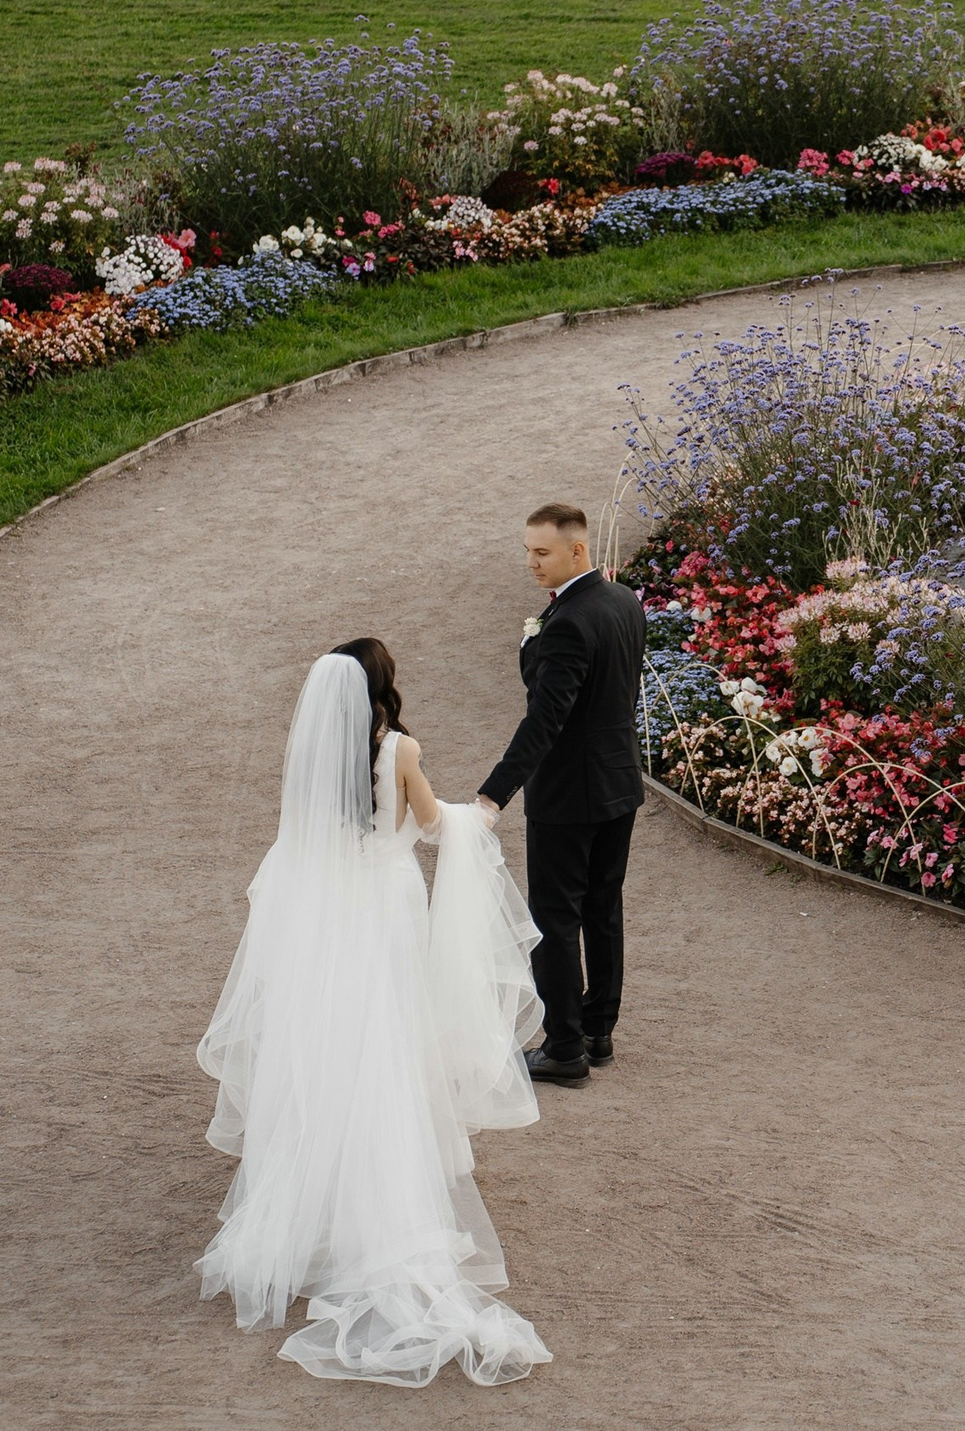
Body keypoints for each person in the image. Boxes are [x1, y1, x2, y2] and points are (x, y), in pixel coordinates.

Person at [196, 640, 550, 1388]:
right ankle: (386, 1218)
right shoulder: (400, 749)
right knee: (387, 1044)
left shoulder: (314, 760)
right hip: (386, 912)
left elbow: (308, 843)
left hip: (330, 920)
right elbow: (427, 827)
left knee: (331, 1044)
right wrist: (470, 819)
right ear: (382, 685)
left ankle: (310, 1212)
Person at [475, 502, 647, 1088]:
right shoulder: (624, 601)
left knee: (554, 919)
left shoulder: (568, 621)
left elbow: (545, 719)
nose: (530, 562)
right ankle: (598, 1032)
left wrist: (494, 794)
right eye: (527, 550)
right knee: (604, 910)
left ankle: (565, 1047)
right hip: (619, 783)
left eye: (541, 552)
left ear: (578, 550)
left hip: (569, 796)